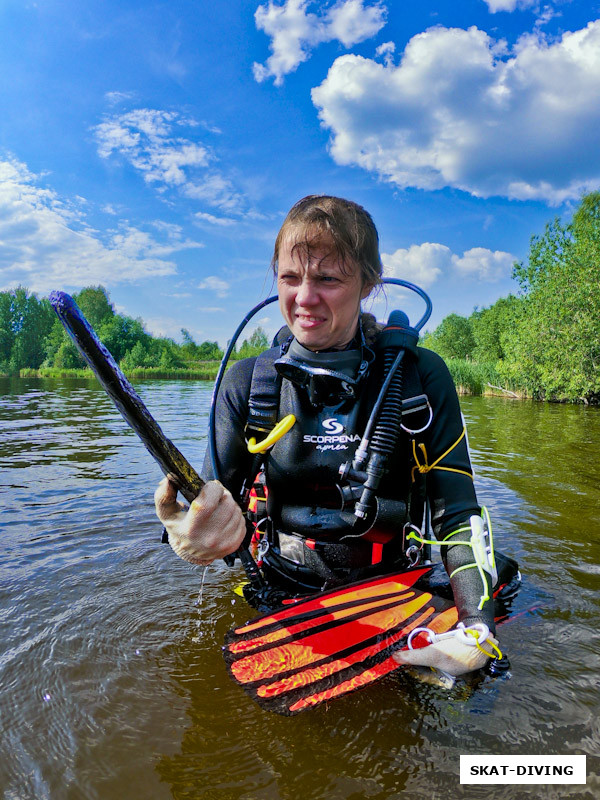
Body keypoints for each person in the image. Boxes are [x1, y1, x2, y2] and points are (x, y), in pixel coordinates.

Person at [155, 195, 502, 677]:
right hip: (276, 586)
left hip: (397, 585)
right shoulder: (248, 384)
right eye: (290, 277)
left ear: (368, 283)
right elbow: (212, 506)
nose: (304, 298)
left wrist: (475, 629)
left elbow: (458, 512)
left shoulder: (420, 378)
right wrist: (187, 532)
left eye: (328, 279)